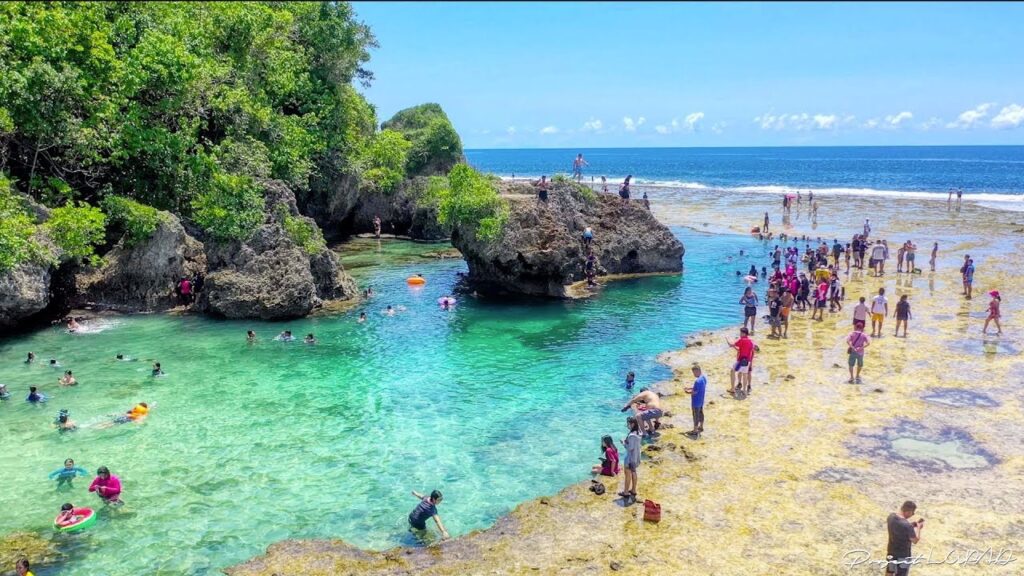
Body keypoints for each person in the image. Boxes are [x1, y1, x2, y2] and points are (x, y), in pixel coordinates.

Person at [886, 501, 923, 576]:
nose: (912, 515)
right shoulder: (907, 526)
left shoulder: (891, 517)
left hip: (891, 552)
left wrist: (911, 525)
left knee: (889, 572)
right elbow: (915, 540)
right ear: (908, 511)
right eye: (913, 513)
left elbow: (900, 528)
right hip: (903, 556)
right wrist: (918, 528)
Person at [726, 327, 755, 396]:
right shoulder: (751, 341)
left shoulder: (742, 340)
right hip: (747, 361)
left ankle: (732, 388)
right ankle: (744, 390)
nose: (740, 334)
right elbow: (751, 352)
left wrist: (726, 339)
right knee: (745, 374)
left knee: (732, 371)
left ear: (744, 333)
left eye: (741, 333)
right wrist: (751, 362)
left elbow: (731, 344)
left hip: (741, 360)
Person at [619, 416, 642, 503]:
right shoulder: (638, 432)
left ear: (632, 424)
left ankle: (625, 492)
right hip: (636, 457)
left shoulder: (632, 435)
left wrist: (623, 443)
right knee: (634, 472)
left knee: (627, 474)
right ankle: (633, 490)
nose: (627, 425)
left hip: (630, 458)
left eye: (628, 424)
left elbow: (630, 448)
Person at [684, 364, 707, 437]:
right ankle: (701, 426)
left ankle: (695, 430)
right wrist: (690, 388)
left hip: (696, 401)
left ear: (697, 371)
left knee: (695, 415)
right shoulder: (703, 378)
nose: (693, 374)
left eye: (694, 373)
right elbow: (698, 388)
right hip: (701, 400)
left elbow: (695, 392)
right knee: (701, 413)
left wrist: (688, 392)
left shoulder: (697, 381)